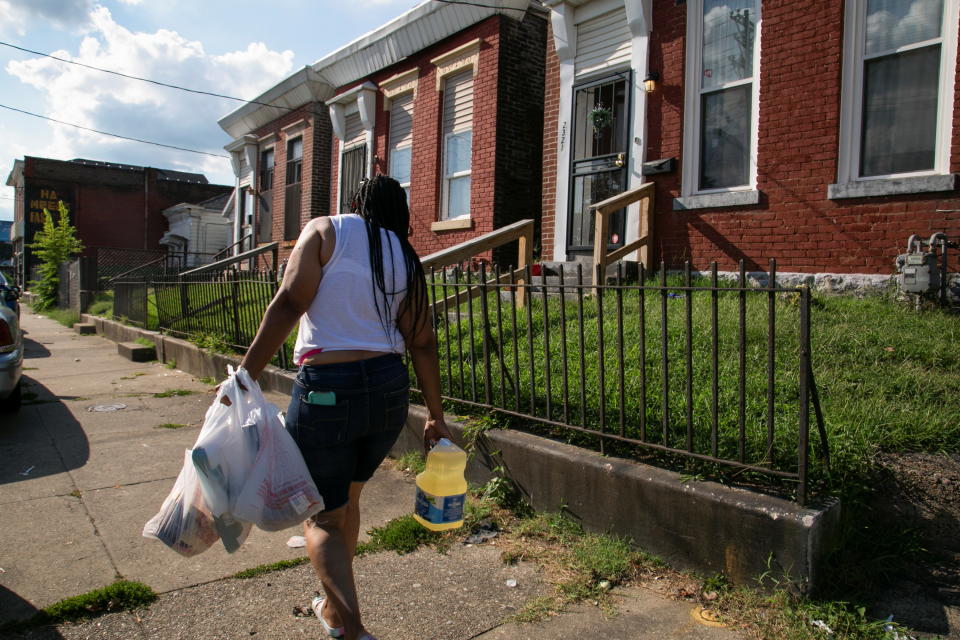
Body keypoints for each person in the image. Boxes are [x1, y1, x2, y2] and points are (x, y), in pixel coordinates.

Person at [236, 175, 452, 640]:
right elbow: (423, 341)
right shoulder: (405, 255)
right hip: (389, 392)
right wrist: (435, 415)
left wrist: (243, 376)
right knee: (348, 502)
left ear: (355, 202)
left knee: (325, 517)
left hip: (327, 393)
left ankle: (351, 630)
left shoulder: (325, 230)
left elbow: (291, 302)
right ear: (401, 213)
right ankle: (335, 613)